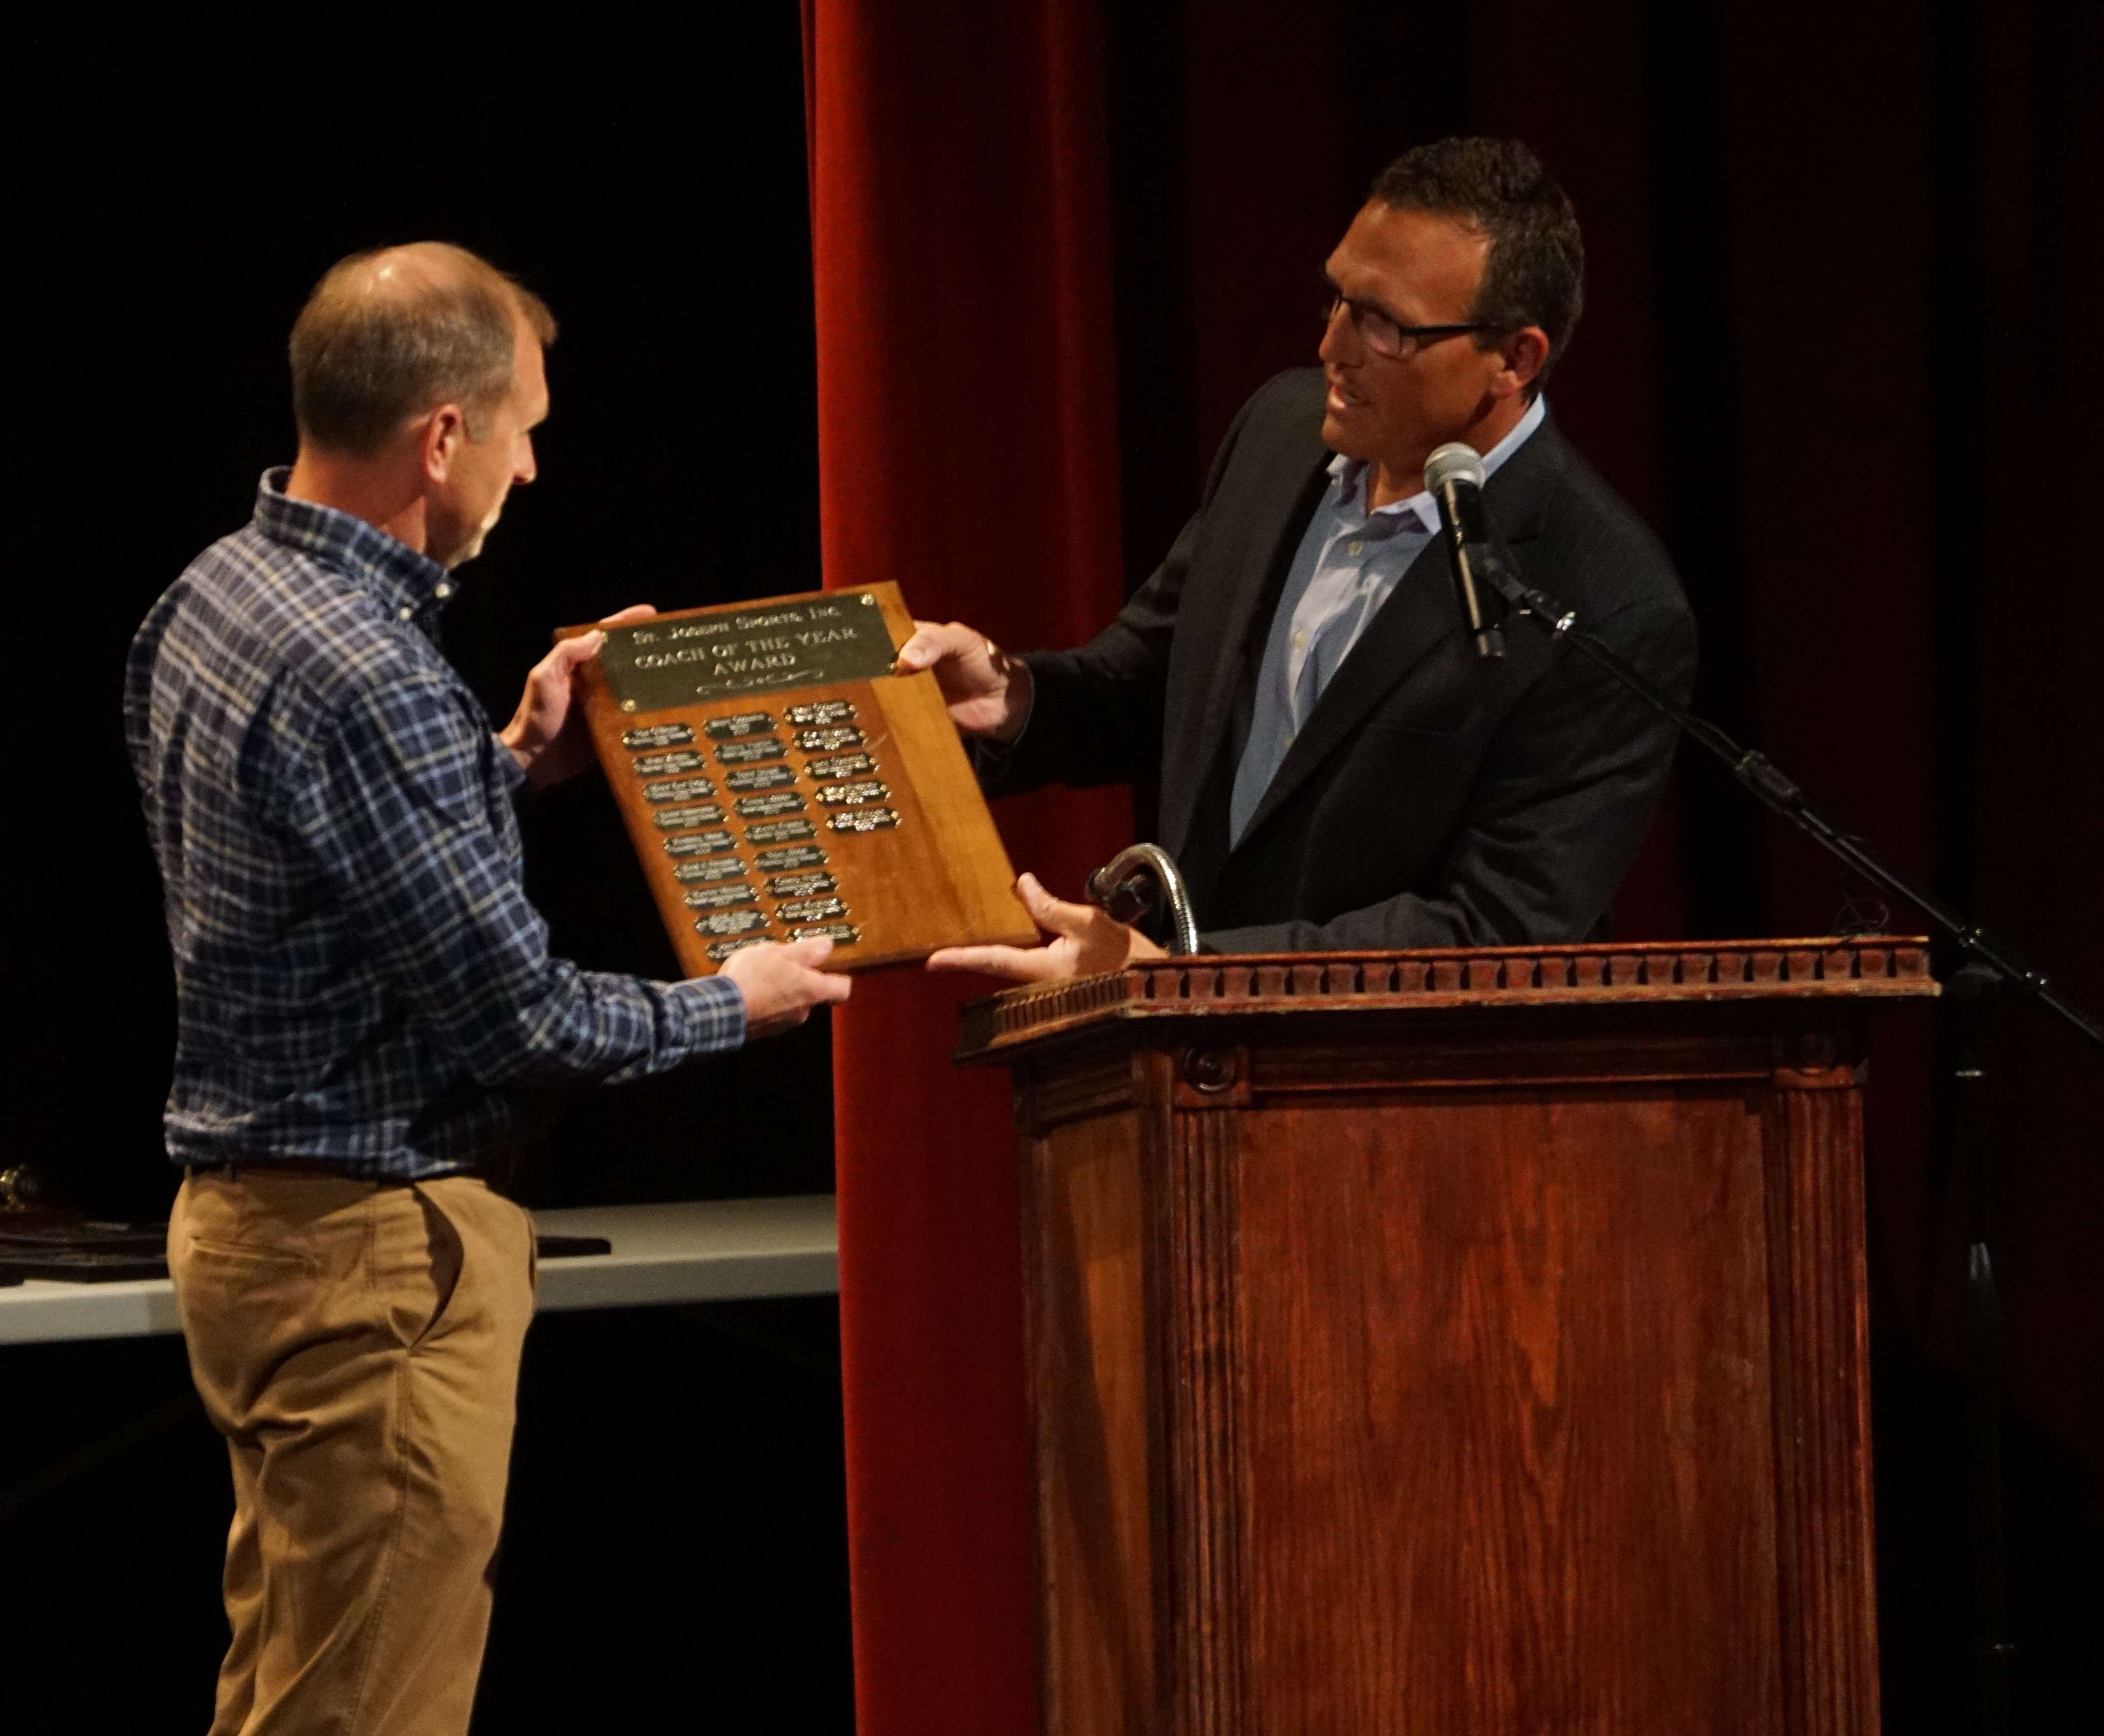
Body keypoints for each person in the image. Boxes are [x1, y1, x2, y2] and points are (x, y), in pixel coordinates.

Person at [124, 242, 849, 1736]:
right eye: (521, 429)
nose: (529, 472)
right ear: (443, 434)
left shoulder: (214, 597)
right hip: (371, 1252)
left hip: (254, 1235)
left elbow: (324, 892)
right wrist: (742, 995)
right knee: (366, 1714)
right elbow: (518, 1021)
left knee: (292, 1694)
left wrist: (509, 763)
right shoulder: (368, 669)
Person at [903, 138, 1697, 982]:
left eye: (1383, 324)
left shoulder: (1608, 601)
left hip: (1382, 1096)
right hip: (1184, 1073)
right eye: (1339, 300)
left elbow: (1493, 931)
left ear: (1515, 360)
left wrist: (1182, 973)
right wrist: (1016, 694)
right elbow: (1160, 680)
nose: (1333, 347)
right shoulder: (1282, 434)